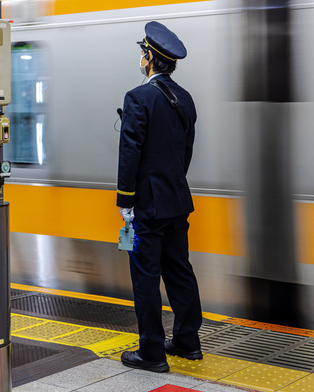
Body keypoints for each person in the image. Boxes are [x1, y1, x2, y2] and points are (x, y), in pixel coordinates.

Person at [117, 21, 203, 372]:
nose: (141, 58)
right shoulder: (184, 97)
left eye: (143, 53)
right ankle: (187, 341)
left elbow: (129, 154)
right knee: (180, 271)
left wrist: (125, 201)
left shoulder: (138, 97)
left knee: (146, 277)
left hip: (147, 207)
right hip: (177, 200)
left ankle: (152, 351)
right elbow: (186, 151)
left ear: (150, 58)